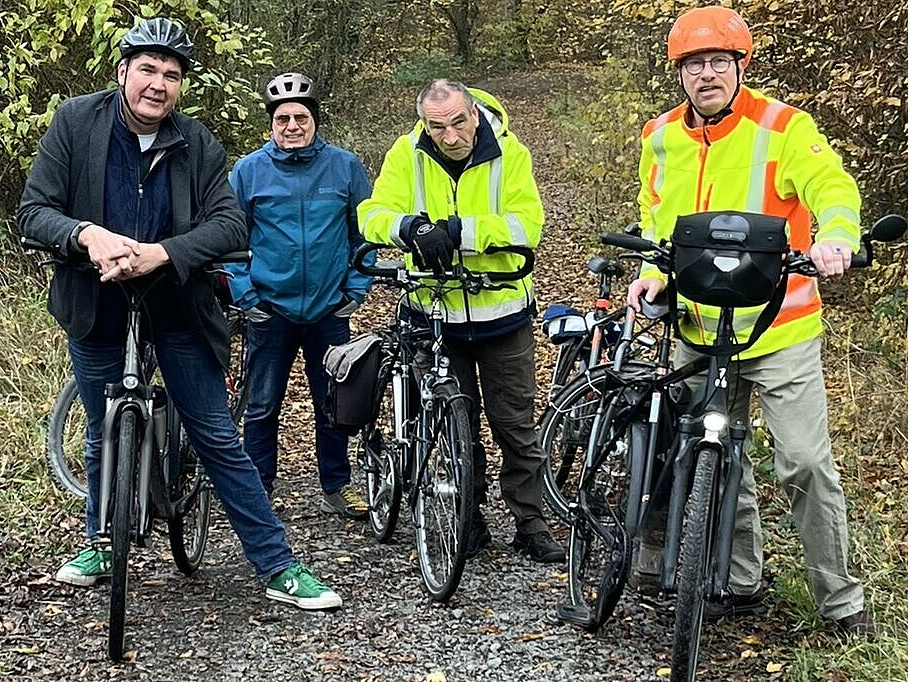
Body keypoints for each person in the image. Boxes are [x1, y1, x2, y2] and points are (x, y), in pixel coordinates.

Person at [17, 18, 341, 611]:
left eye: (170, 74)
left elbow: (230, 224)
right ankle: (101, 542)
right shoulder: (75, 123)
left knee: (216, 434)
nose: (158, 84)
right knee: (102, 427)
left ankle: (277, 565)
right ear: (123, 72)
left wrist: (162, 253)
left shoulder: (197, 142)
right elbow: (35, 212)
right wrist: (88, 235)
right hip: (95, 302)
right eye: (147, 69)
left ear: (180, 86)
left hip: (177, 305)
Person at [625, 6, 873, 635]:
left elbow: (831, 185)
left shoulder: (783, 128)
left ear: (741, 65)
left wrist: (836, 236)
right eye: (693, 64)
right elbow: (656, 214)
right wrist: (654, 271)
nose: (706, 74)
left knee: (804, 462)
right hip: (697, 330)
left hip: (778, 328)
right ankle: (740, 580)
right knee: (710, 454)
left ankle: (841, 602)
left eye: (718, 61)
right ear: (679, 72)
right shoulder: (661, 135)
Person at [358, 79, 565, 563]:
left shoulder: (509, 153)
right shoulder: (406, 154)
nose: (450, 137)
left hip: (502, 313)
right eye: (438, 128)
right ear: (424, 125)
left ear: (474, 114)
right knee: (454, 422)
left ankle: (530, 522)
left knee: (514, 424)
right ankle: (467, 518)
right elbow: (371, 214)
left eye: (458, 123)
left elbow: (527, 224)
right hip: (433, 312)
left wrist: (458, 232)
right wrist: (410, 227)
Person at [227, 73, 372, 519]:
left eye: (301, 117)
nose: (292, 126)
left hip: (329, 308)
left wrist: (356, 288)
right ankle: (258, 489)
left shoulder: (345, 167)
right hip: (270, 309)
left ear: (315, 120)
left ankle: (337, 485)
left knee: (333, 402)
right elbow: (229, 239)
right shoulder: (249, 171)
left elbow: (365, 232)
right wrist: (246, 294)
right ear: (271, 123)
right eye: (283, 118)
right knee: (262, 404)